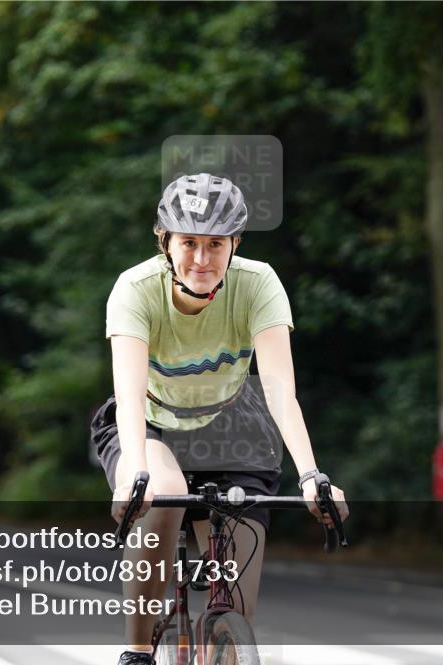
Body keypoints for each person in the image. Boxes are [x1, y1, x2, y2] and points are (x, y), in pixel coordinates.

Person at [90, 173, 349, 665]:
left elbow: (279, 390)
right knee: (163, 492)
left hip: (232, 426)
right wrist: (134, 474)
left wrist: (312, 476)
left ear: (235, 244)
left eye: (215, 244)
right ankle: (138, 651)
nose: (202, 259)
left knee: (236, 607)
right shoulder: (135, 289)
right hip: (151, 422)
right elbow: (129, 395)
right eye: (189, 243)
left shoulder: (258, 283)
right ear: (165, 241)